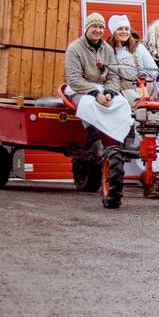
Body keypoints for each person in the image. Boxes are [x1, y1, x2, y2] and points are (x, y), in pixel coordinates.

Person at [64, 13, 128, 208]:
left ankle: (121, 140)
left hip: (102, 89)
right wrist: (95, 93)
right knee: (89, 105)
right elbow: (74, 78)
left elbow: (113, 76)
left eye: (101, 27)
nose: (98, 30)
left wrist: (109, 92)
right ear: (87, 28)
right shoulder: (75, 48)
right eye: (94, 27)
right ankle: (95, 142)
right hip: (80, 88)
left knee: (122, 104)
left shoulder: (107, 49)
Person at [107, 15, 159, 194]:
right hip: (124, 94)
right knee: (135, 131)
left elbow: (155, 74)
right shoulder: (109, 51)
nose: (124, 32)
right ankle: (143, 178)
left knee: (156, 130)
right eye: (120, 29)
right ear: (113, 32)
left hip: (146, 91)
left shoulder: (139, 49)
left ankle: (158, 173)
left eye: (126, 29)